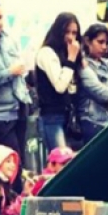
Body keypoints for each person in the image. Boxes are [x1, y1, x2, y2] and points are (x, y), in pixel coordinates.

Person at [0, 0, 33, 159]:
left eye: (0, 17)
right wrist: (10, 72)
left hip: (19, 107)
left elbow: (20, 71)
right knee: (11, 159)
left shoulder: (9, 40)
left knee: (20, 160)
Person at [35, 12, 82, 153]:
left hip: (69, 116)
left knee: (71, 161)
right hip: (52, 116)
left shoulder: (65, 53)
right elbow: (60, 86)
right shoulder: (47, 53)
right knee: (61, 162)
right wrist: (72, 58)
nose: (70, 37)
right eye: (66, 32)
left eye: (74, 33)